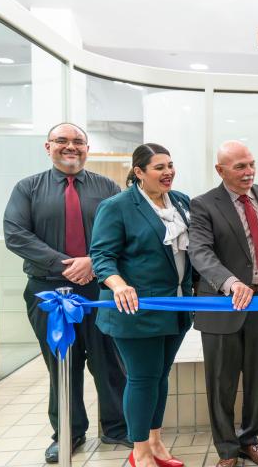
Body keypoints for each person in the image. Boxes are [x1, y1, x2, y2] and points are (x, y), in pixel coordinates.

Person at [3, 122, 129, 464]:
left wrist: (92, 262)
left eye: (78, 141)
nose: (70, 146)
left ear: (87, 149)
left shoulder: (108, 188)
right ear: (48, 147)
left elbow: (124, 233)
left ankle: (116, 428)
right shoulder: (27, 188)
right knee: (62, 363)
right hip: (49, 292)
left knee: (109, 362)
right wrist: (64, 264)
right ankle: (68, 434)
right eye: (62, 141)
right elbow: (16, 235)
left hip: (100, 289)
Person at [91, 143, 192, 467]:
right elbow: (102, 256)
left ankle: (156, 442)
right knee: (142, 378)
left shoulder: (180, 202)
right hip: (136, 310)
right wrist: (119, 285)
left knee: (160, 376)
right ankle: (140, 451)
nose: (168, 172)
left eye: (170, 165)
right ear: (139, 172)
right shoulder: (117, 206)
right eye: (159, 167)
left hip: (175, 308)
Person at [188, 141, 258, 467]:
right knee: (221, 384)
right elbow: (200, 253)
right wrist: (231, 283)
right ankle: (227, 450)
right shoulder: (203, 205)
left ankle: (250, 441)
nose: (249, 172)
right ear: (220, 170)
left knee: (256, 379)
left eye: (251, 164)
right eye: (240, 167)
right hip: (222, 307)